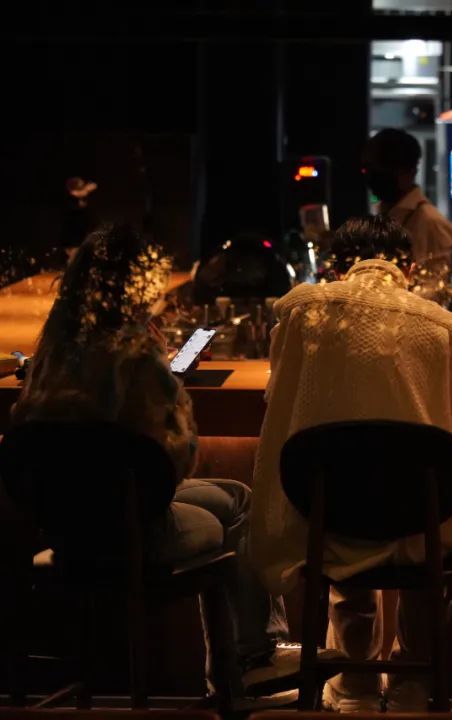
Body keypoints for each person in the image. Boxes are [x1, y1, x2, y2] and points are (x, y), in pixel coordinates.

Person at [249, 216, 452, 712]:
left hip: (328, 517)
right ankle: (412, 685)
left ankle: (355, 687)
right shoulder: (439, 324)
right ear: (407, 268)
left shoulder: (301, 313)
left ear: (337, 268)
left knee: (345, 540)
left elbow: (277, 387)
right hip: (422, 522)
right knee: (423, 541)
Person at [10, 224, 293, 707]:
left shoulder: (53, 348)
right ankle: (248, 662)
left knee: (235, 496)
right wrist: (168, 383)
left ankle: (246, 660)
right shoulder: (136, 353)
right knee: (233, 510)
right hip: (132, 533)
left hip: (63, 530)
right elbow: (177, 462)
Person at [362, 128, 452, 303]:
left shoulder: (431, 222)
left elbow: (434, 294)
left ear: (409, 171)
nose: (372, 179)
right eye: (367, 170)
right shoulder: (383, 214)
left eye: (380, 171)